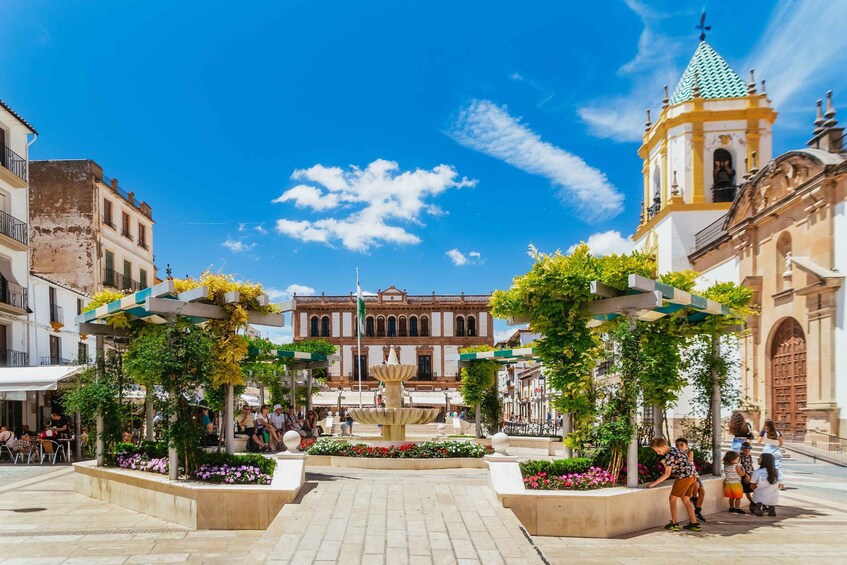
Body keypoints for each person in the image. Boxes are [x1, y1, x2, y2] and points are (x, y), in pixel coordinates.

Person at [646, 437, 702, 532]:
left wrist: (653, 484)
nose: (658, 453)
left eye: (658, 451)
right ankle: (694, 523)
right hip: (693, 477)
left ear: (664, 447)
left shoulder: (669, 455)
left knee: (672, 499)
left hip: (683, 478)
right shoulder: (675, 450)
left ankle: (674, 523)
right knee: (686, 499)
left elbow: (667, 474)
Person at [675, 438, 707, 522]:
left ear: (687, 446)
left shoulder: (689, 452)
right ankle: (695, 505)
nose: (679, 447)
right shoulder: (675, 454)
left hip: (693, 473)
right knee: (695, 487)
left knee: (702, 491)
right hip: (686, 475)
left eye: (681, 445)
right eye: (677, 445)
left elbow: (689, 460)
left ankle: (697, 510)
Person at [758, 420, 784, 489]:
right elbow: (781, 443)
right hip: (776, 451)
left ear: (766, 425)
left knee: (766, 466)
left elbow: (759, 442)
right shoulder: (778, 433)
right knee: (777, 467)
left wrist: (764, 440)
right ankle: (781, 483)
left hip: (767, 450)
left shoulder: (764, 432)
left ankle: (767, 481)